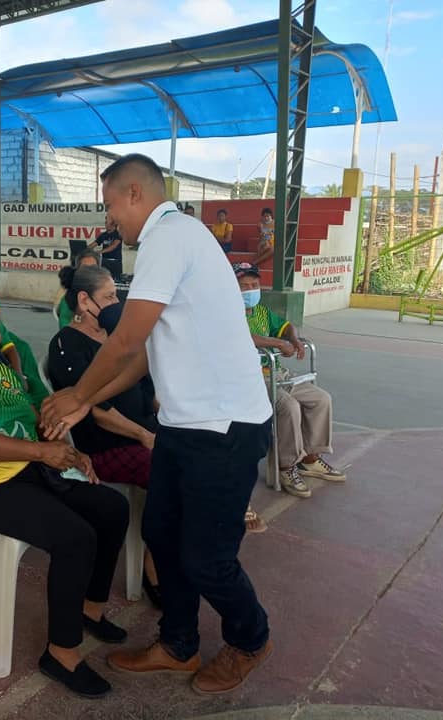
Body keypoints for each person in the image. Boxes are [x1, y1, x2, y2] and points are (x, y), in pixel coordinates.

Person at [41, 154, 274, 695]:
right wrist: (87, 402)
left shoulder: (169, 237)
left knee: (207, 558)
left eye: (110, 205)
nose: (109, 219)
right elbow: (146, 354)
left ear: (135, 194)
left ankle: (251, 639)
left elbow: (124, 340)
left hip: (224, 426)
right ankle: (178, 644)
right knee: (163, 536)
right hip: (183, 425)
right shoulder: (173, 240)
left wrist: (78, 392)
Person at [0, 298, 129, 699]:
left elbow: (32, 417)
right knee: (75, 538)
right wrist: (43, 453)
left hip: (25, 470)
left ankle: (90, 608)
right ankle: (61, 653)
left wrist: (69, 450)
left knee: (113, 508)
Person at [48, 263, 164, 607]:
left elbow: (146, 385)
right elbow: (95, 409)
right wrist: (143, 435)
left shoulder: (118, 339)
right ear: (84, 301)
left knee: (193, 453)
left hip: (144, 430)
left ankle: (166, 546)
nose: (116, 304)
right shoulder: (66, 344)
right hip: (105, 445)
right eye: (109, 297)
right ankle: (153, 562)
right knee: (169, 471)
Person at [234, 262, 345, 498]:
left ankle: (310, 459)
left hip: (277, 373)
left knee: (320, 399)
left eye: (254, 285)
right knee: (288, 406)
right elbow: (243, 336)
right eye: (244, 286)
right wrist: (278, 343)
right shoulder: (228, 311)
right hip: (251, 378)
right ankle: (286, 467)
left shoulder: (261, 311)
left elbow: (286, 326)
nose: (251, 290)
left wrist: (293, 339)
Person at [56, 251, 100, 329]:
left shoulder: (106, 290)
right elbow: (64, 321)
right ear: (78, 270)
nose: (89, 271)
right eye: (85, 267)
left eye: (93, 267)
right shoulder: (70, 295)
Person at [88, 215, 123, 282]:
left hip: (115, 262)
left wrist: (100, 252)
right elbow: (93, 244)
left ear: (113, 224)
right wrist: (85, 249)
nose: (105, 224)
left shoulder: (118, 234)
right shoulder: (103, 235)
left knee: (115, 282)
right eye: (105, 223)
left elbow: (113, 246)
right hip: (104, 262)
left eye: (107, 223)